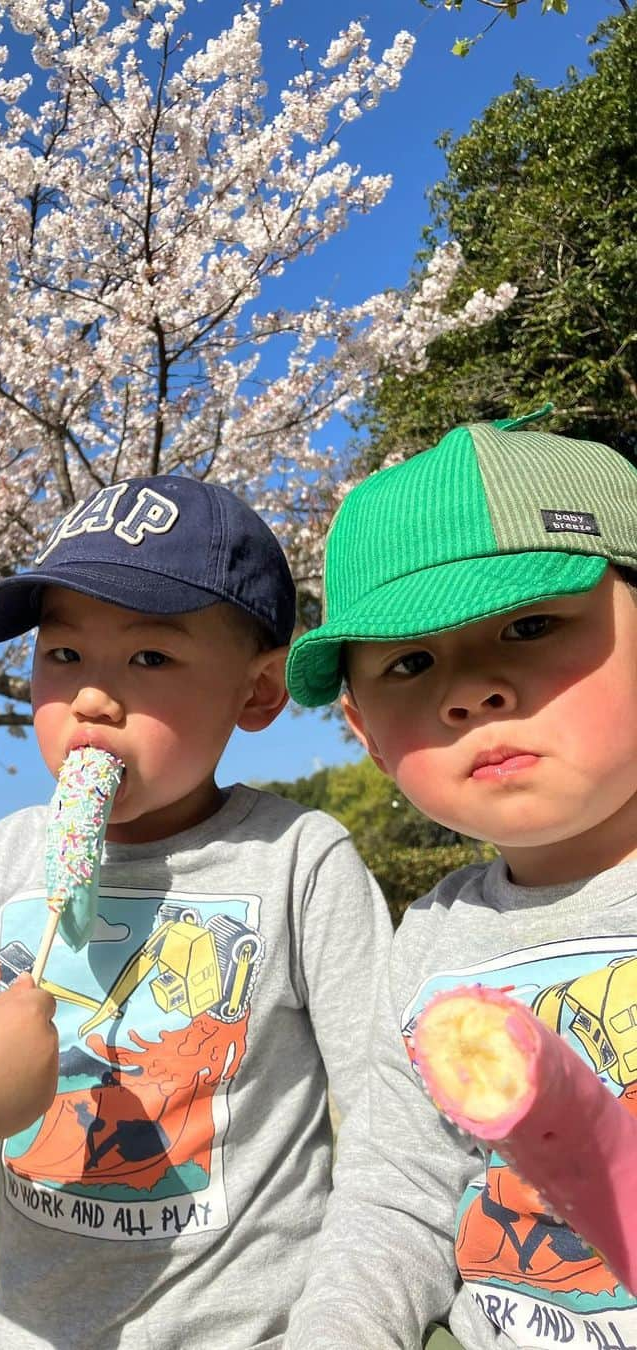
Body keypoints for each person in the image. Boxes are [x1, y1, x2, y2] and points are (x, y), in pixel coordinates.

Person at [0, 474, 393, 1348]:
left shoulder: (300, 865)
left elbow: (394, 1123)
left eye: (150, 658)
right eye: (63, 656)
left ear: (259, 693)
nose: (92, 695)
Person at [282, 411, 637, 1350]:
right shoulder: (430, 942)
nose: (470, 690)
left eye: (529, 624)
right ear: (363, 732)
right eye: (411, 661)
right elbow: (398, 1197)